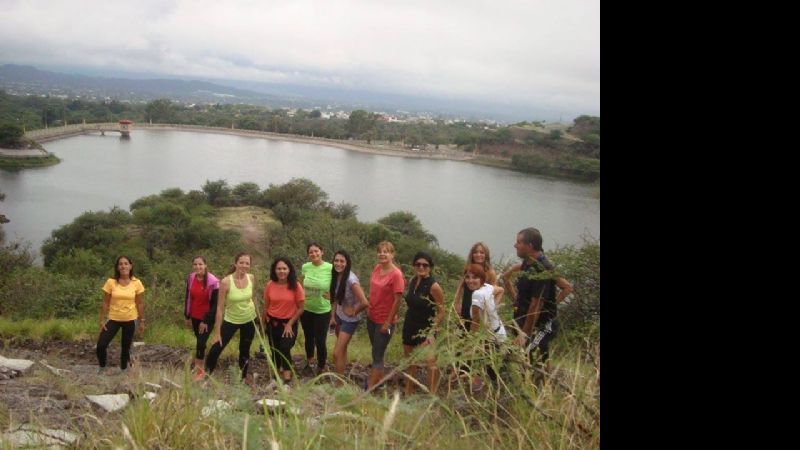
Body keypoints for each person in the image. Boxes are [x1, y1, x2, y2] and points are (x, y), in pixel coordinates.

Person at [502, 228, 573, 374]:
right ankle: (543, 378)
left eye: (519, 242)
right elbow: (566, 286)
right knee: (532, 358)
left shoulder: (542, 269)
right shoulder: (529, 262)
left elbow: (536, 305)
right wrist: (515, 298)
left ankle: (541, 381)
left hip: (541, 325)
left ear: (530, 246)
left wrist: (525, 334)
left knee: (527, 354)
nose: (515, 245)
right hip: (524, 320)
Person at [199, 252, 258, 382]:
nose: (244, 265)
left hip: (249, 319)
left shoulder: (251, 278)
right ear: (235, 263)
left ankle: (243, 379)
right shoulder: (226, 282)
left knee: (245, 350)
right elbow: (220, 308)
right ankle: (206, 377)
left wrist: (258, 318)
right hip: (231, 319)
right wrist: (217, 332)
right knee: (216, 349)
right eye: (241, 262)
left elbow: (253, 298)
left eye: (247, 263)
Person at [394, 251, 444, 396]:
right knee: (410, 360)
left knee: (431, 362)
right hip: (410, 325)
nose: (421, 267)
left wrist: (431, 332)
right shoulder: (413, 280)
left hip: (426, 327)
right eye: (418, 264)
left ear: (430, 267)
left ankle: (432, 396)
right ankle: (408, 392)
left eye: (425, 265)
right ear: (414, 266)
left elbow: (441, 312)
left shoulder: (434, 286)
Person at [367, 241, 405, 390]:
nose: (382, 254)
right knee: (376, 350)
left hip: (385, 322)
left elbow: (398, 300)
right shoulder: (377, 268)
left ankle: (369, 388)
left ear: (392, 255)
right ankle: (381, 380)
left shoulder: (396, 275)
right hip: (372, 317)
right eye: (380, 251)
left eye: (386, 251)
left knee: (377, 354)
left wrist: (388, 322)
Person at [97, 255, 145, 373]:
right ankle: (102, 368)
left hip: (130, 319)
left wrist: (142, 321)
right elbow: (105, 302)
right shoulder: (111, 282)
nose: (123, 266)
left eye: (126, 263)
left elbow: (139, 303)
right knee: (101, 345)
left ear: (130, 266)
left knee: (126, 347)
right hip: (113, 318)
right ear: (117, 267)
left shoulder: (137, 283)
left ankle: (124, 370)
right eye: (120, 264)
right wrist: (102, 320)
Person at [327, 250, 369, 377]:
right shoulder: (335, 275)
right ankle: (342, 377)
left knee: (336, 353)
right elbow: (335, 298)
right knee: (342, 349)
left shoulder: (351, 280)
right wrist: (333, 316)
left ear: (347, 263)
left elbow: (365, 302)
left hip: (350, 320)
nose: (338, 263)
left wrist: (354, 311)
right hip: (339, 315)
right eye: (336, 260)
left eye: (342, 261)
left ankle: (339, 382)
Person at [263, 257, 305, 383]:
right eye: (279, 269)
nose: (282, 271)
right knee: (274, 349)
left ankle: (287, 374)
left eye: (284, 268)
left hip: (289, 322)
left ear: (289, 270)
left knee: (285, 347)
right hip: (272, 322)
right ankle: (276, 372)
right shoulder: (270, 285)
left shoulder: (296, 286)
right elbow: (266, 306)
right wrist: (263, 323)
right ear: (274, 270)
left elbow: (301, 308)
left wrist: (290, 324)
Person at [299, 242, 333, 375]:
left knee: (320, 340)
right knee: (308, 337)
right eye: (311, 252)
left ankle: (321, 366)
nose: (314, 254)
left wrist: (333, 295)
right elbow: (301, 283)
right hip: (306, 308)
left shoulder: (330, 268)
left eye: (316, 251)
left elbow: (339, 283)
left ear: (322, 252)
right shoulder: (305, 267)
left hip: (322, 310)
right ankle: (310, 362)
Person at [183, 256, 220, 374]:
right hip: (194, 315)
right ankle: (199, 363)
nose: (198, 267)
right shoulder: (191, 278)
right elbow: (188, 297)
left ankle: (199, 368)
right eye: (195, 264)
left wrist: (205, 320)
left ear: (205, 265)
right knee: (199, 341)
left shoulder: (213, 282)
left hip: (207, 317)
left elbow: (215, 304)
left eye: (200, 264)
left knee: (201, 342)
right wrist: (187, 316)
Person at [452, 242, 499, 330]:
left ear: (486, 255)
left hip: (479, 308)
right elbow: (461, 285)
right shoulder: (468, 267)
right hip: (466, 304)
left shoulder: (490, 272)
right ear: (472, 254)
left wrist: (491, 311)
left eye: (482, 252)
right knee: (463, 330)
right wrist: (457, 303)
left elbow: (495, 292)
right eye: (475, 252)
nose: (478, 255)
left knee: (476, 332)